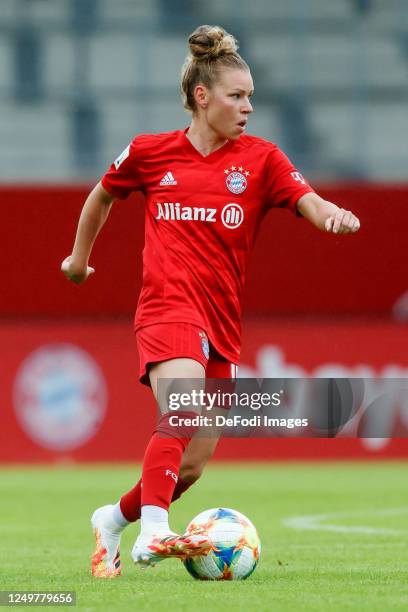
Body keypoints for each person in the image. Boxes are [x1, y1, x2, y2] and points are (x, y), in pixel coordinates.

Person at [61, 25, 360, 578]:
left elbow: (309, 200)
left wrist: (332, 216)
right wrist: (79, 259)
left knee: (192, 464)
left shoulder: (262, 159)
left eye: (251, 96)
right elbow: (103, 192)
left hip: (221, 321)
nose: (248, 106)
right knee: (181, 405)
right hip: (166, 307)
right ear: (203, 97)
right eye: (237, 96)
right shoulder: (152, 152)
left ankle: (113, 519)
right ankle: (155, 532)